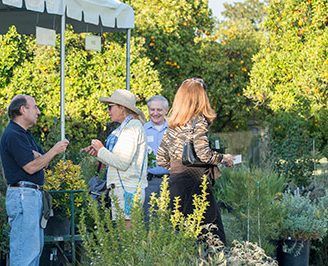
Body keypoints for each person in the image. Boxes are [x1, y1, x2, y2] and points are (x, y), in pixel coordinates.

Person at [0, 94, 68, 266]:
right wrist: (54, 151)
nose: (38, 111)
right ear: (22, 110)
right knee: (24, 244)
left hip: (30, 194)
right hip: (23, 195)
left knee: (33, 245)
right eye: (35, 107)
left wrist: (43, 157)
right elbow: (31, 166)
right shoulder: (13, 135)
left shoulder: (23, 134)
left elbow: (40, 160)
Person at [156, 78, 235, 245]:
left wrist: (179, 165)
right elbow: (204, 154)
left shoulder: (172, 125)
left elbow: (161, 159)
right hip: (197, 184)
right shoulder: (198, 121)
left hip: (176, 185)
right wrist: (224, 158)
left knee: (182, 238)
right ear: (201, 97)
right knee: (213, 237)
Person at [82, 89, 148, 227]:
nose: (107, 111)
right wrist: (99, 154)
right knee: (125, 239)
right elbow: (118, 160)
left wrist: (101, 149)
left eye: (110, 107)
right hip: (124, 188)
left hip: (127, 190)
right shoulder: (126, 127)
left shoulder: (132, 127)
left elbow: (122, 163)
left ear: (122, 108)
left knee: (128, 240)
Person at [143, 95, 171, 219]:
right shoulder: (142, 130)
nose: (155, 113)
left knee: (170, 220)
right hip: (150, 182)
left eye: (159, 110)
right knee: (149, 220)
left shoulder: (174, 129)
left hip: (171, 181)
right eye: (152, 109)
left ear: (166, 110)